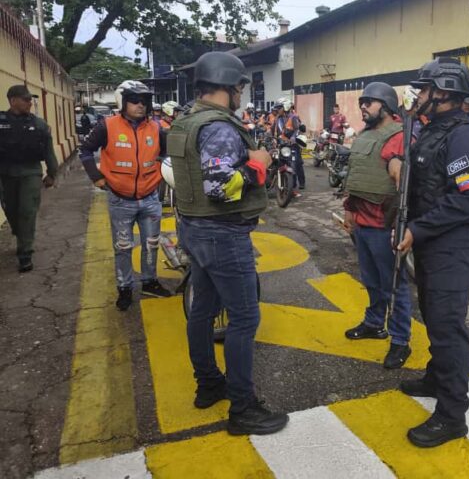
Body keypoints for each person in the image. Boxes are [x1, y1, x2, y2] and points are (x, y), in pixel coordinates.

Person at [168, 51, 287, 436]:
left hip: (194, 228)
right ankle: (243, 407)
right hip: (221, 232)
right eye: (240, 88)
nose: (241, 95)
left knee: (202, 311)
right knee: (245, 318)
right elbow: (220, 186)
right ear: (229, 87)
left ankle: (209, 384)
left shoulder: (186, 120)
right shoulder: (218, 127)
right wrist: (259, 164)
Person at [396, 57, 469, 448]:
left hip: (453, 246)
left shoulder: (462, 136)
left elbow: (464, 201)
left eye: (426, 90)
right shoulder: (431, 131)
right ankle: (437, 378)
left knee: (449, 329)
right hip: (433, 244)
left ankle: (453, 416)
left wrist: (416, 230)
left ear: (444, 94)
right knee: (434, 317)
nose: (419, 96)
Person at [79, 80, 171, 310]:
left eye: (145, 101)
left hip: (150, 197)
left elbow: (168, 155)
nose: (141, 105)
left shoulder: (156, 128)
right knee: (123, 247)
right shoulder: (106, 126)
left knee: (151, 244)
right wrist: (96, 178)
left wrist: (163, 175)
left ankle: (149, 282)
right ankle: (125, 287)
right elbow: (85, 150)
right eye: (134, 100)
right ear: (123, 102)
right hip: (121, 199)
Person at [342, 82, 412, 369]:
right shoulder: (365, 135)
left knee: (394, 286)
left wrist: (403, 225)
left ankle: (399, 340)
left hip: (386, 225)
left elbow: (407, 185)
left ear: (385, 106)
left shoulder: (400, 137)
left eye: (368, 102)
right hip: (362, 222)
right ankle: (374, 324)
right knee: (371, 281)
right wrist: (348, 211)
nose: (363, 107)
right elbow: (356, 175)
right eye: (362, 102)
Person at [0, 85, 58, 272]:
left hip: (30, 173)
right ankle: (20, 234)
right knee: (11, 210)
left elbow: (49, 151)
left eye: (30, 99)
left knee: (27, 211)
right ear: (13, 100)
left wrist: (52, 174)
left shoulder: (39, 125)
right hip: (5, 174)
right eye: (26, 99)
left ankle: (25, 253)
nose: (29, 103)